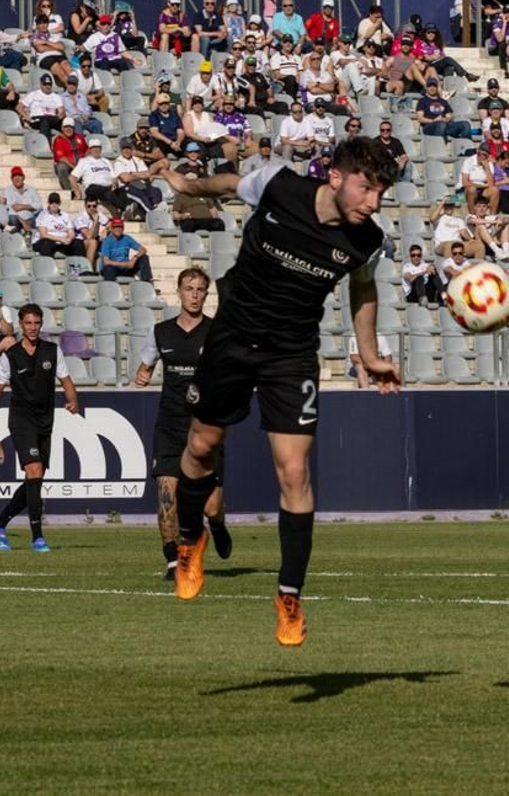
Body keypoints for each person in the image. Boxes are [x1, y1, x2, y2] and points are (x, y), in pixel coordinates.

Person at [162, 138, 399, 647]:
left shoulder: (365, 241)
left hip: (291, 355)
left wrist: (370, 354)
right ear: (335, 177)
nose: (373, 203)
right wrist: (188, 186)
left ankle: (289, 595)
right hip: (230, 339)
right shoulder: (278, 185)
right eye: (366, 189)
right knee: (202, 446)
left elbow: (362, 289)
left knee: (294, 470)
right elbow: (228, 184)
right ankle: (188, 540)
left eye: (380, 193)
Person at [135, 268, 231, 581]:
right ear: (178, 291)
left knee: (212, 508)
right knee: (167, 493)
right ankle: (173, 560)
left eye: (200, 289)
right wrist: (142, 374)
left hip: (205, 428)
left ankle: (216, 526)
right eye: (188, 288)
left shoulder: (218, 333)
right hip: (170, 424)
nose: (194, 294)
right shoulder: (160, 332)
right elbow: (145, 366)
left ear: (206, 294)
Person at [0, 304, 81, 553]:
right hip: (21, 420)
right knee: (34, 470)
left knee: (35, 478)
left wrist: (72, 399)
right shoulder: (10, 355)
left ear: (41, 324)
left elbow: (66, 379)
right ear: (21, 325)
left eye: (36, 323)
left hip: (46, 420)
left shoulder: (52, 351)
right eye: (28, 323)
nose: (32, 327)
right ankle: (38, 537)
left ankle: (0, 523)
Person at [98, 216, 152, 281]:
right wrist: (125, 264)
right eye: (115, 227)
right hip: (114, 268)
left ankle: (147, 283)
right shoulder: (107, 241)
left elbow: (143, 249)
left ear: (123, 228)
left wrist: (135, 258)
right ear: (112, 229)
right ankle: (110, 289)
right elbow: (106, 261)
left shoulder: (127, 238)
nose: (118, 229)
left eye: (120, 227)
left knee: (144, 258)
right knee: (108, 268)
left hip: (127, 269)